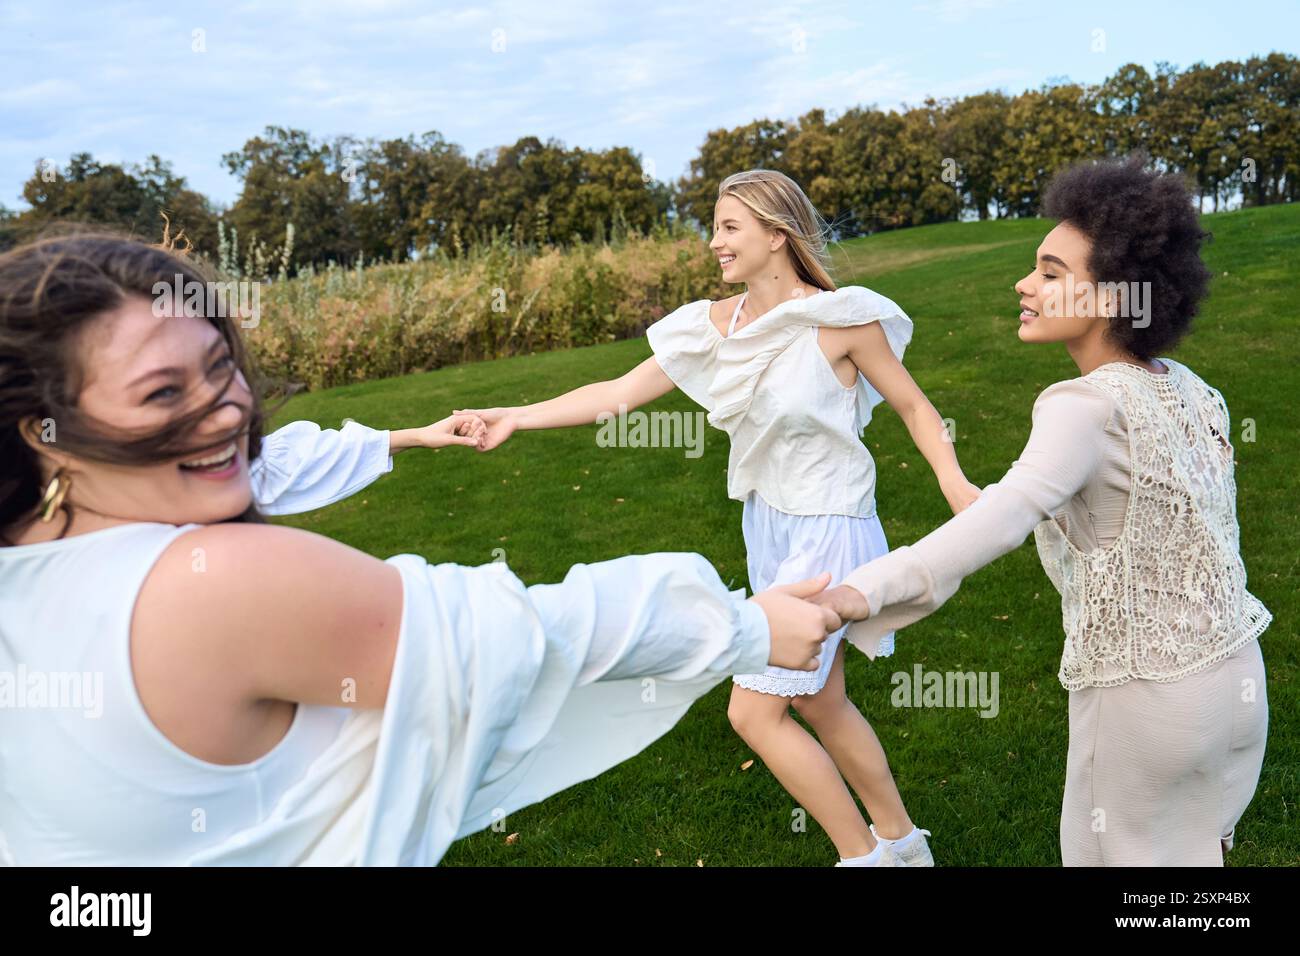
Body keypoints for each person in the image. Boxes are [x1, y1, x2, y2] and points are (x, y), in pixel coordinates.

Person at [0, 232, 842, 865]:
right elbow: (518, 640)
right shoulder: (206, 583)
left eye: (222, 367)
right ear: (41, 433)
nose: (225, 411)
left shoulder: (30, 576)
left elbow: (279, 461)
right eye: (162, 392)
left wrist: (415, 435)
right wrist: (744, 628)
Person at [455, 169, 982, 866]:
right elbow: (618, 391)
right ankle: (905, 846)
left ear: (776, 234)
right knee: (819, 702)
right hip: (767, 523)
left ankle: (865, 858)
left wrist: (953, 482)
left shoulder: (841, 320)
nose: (714, 243)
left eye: (729, 227)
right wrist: (515, 417)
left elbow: (916, 407)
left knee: (753, 710)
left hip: (830, 524)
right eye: (715, 227)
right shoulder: (712, 327)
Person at [815, 155, 1271, 866]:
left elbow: (1005, 519)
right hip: (1237, 682)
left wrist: (856, 593)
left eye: (1052, 272)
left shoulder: (1081, 406)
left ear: (1116, 296)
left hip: (1143, 700)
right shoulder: (1190, 387)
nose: (1024, 285)